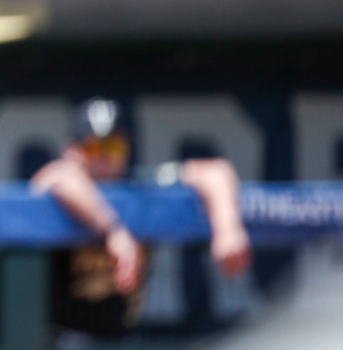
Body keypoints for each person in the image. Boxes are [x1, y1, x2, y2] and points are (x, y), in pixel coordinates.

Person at [31, 97, 252, 342]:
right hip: (61, 338)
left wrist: (228, 228)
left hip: (123, 336)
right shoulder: (60, 184)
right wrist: (113, 232)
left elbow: (214, 170)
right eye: (92, 148)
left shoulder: (139, 187)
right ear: (70, 151)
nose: (103, 157)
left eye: (113, 147)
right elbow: (58, 176)